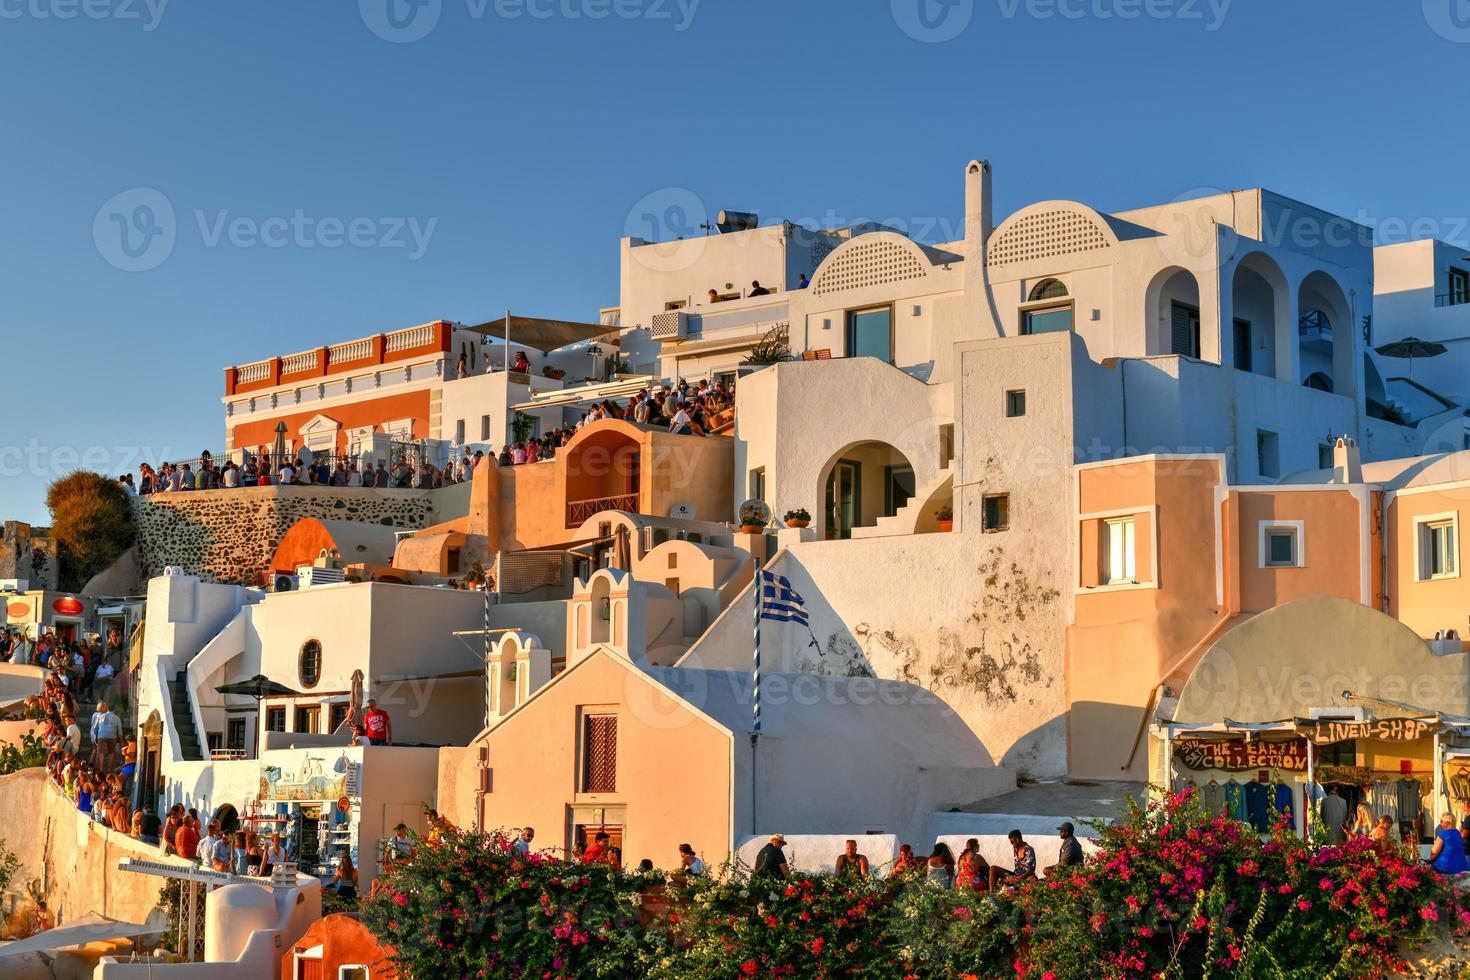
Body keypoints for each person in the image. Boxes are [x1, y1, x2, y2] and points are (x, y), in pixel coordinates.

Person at [90, 701, 122, 771]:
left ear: (107, 708)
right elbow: (120, 731)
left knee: (101, 752)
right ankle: (109, 768)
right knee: (111, 752)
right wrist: (121, 740)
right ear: (114, 709)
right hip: (112, 736)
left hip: (101, 735)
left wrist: (96, 737)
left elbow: (95, 728)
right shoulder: (117, 718)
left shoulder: (101, 716)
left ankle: (101, 768)